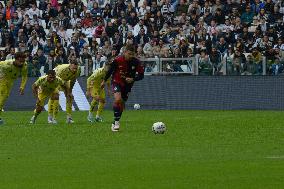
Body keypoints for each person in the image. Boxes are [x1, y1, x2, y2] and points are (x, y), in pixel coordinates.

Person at [101, 44, 144, 132]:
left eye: (132, 54)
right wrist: (104, 81)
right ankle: (117, 122)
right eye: (129, 54)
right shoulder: (117, 60)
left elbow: (141, 75)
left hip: (128, 85)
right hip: (117, 81)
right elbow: (110, 71)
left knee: (121, 103)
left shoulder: (136, 62)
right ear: (124, 52)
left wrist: (133, 79)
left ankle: (115, 121)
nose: (131, 56)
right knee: (118, 99)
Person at [0, 52, 27, 125]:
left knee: (5, 98)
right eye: (20, 61)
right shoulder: (6, 64)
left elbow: (24, 76)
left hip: (11, 81)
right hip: (3, 78)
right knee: (3, 97)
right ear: (16, 59)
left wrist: (22, 86)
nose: (22, 63)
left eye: (23, 61)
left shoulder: (24, 65)